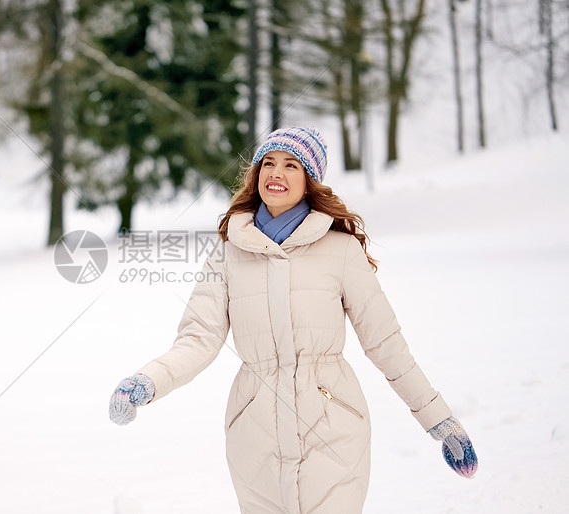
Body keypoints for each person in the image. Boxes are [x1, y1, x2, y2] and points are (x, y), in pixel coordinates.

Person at [108, 127, 478, 514]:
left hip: (334, 427)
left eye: (291, 165)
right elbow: (198, 339)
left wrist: (440, 421)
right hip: (255, 435)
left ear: (309, 181)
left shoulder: (341, 250)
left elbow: (386, 344)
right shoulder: (228, 254)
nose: (276, 173)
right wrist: (148, 380)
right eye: (268, 163)